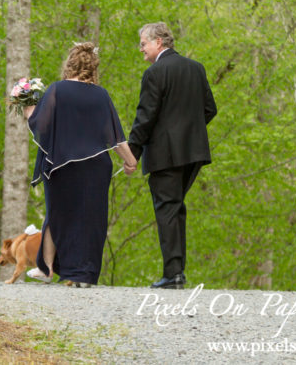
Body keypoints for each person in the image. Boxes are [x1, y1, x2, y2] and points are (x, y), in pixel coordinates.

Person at [22, 42, 135, 287]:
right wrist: (130, 161)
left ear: (70, 64)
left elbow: (39, 125)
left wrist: (27, 106)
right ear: (93, 67)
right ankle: (85, 273)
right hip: (95, 168)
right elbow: (115, 137)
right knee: (91, 219)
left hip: (61, 167)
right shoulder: (101, 95)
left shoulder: (56, 91)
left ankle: (49, 268)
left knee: (57, 215)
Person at [123, 22, 217, 289]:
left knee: (167, 209)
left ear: (158, 43)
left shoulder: (155, 73)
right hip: (193, 154)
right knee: (175, 208)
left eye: (143, 43)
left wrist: (133, 154)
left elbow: (145, 118)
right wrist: (190, 134)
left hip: (165, 155)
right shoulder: (196, 68)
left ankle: (173, 274)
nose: (141, 49)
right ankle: (176, 272)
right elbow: (210, 109)